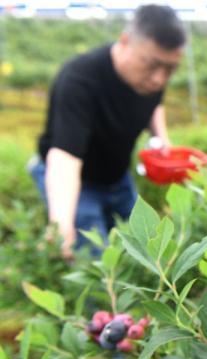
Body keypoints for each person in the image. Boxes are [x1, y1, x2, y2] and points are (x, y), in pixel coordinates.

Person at [29, 4, 186, 258]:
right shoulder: (80, 80)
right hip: (78, 182)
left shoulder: (152, 78)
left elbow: (155, 104)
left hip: (117, 177)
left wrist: (160, 136)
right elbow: (64, 158)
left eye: (170, 69)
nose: (159, 79)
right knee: (95, 262)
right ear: (125, 42)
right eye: (152, 65)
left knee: (149, 249)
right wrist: (61, 224)